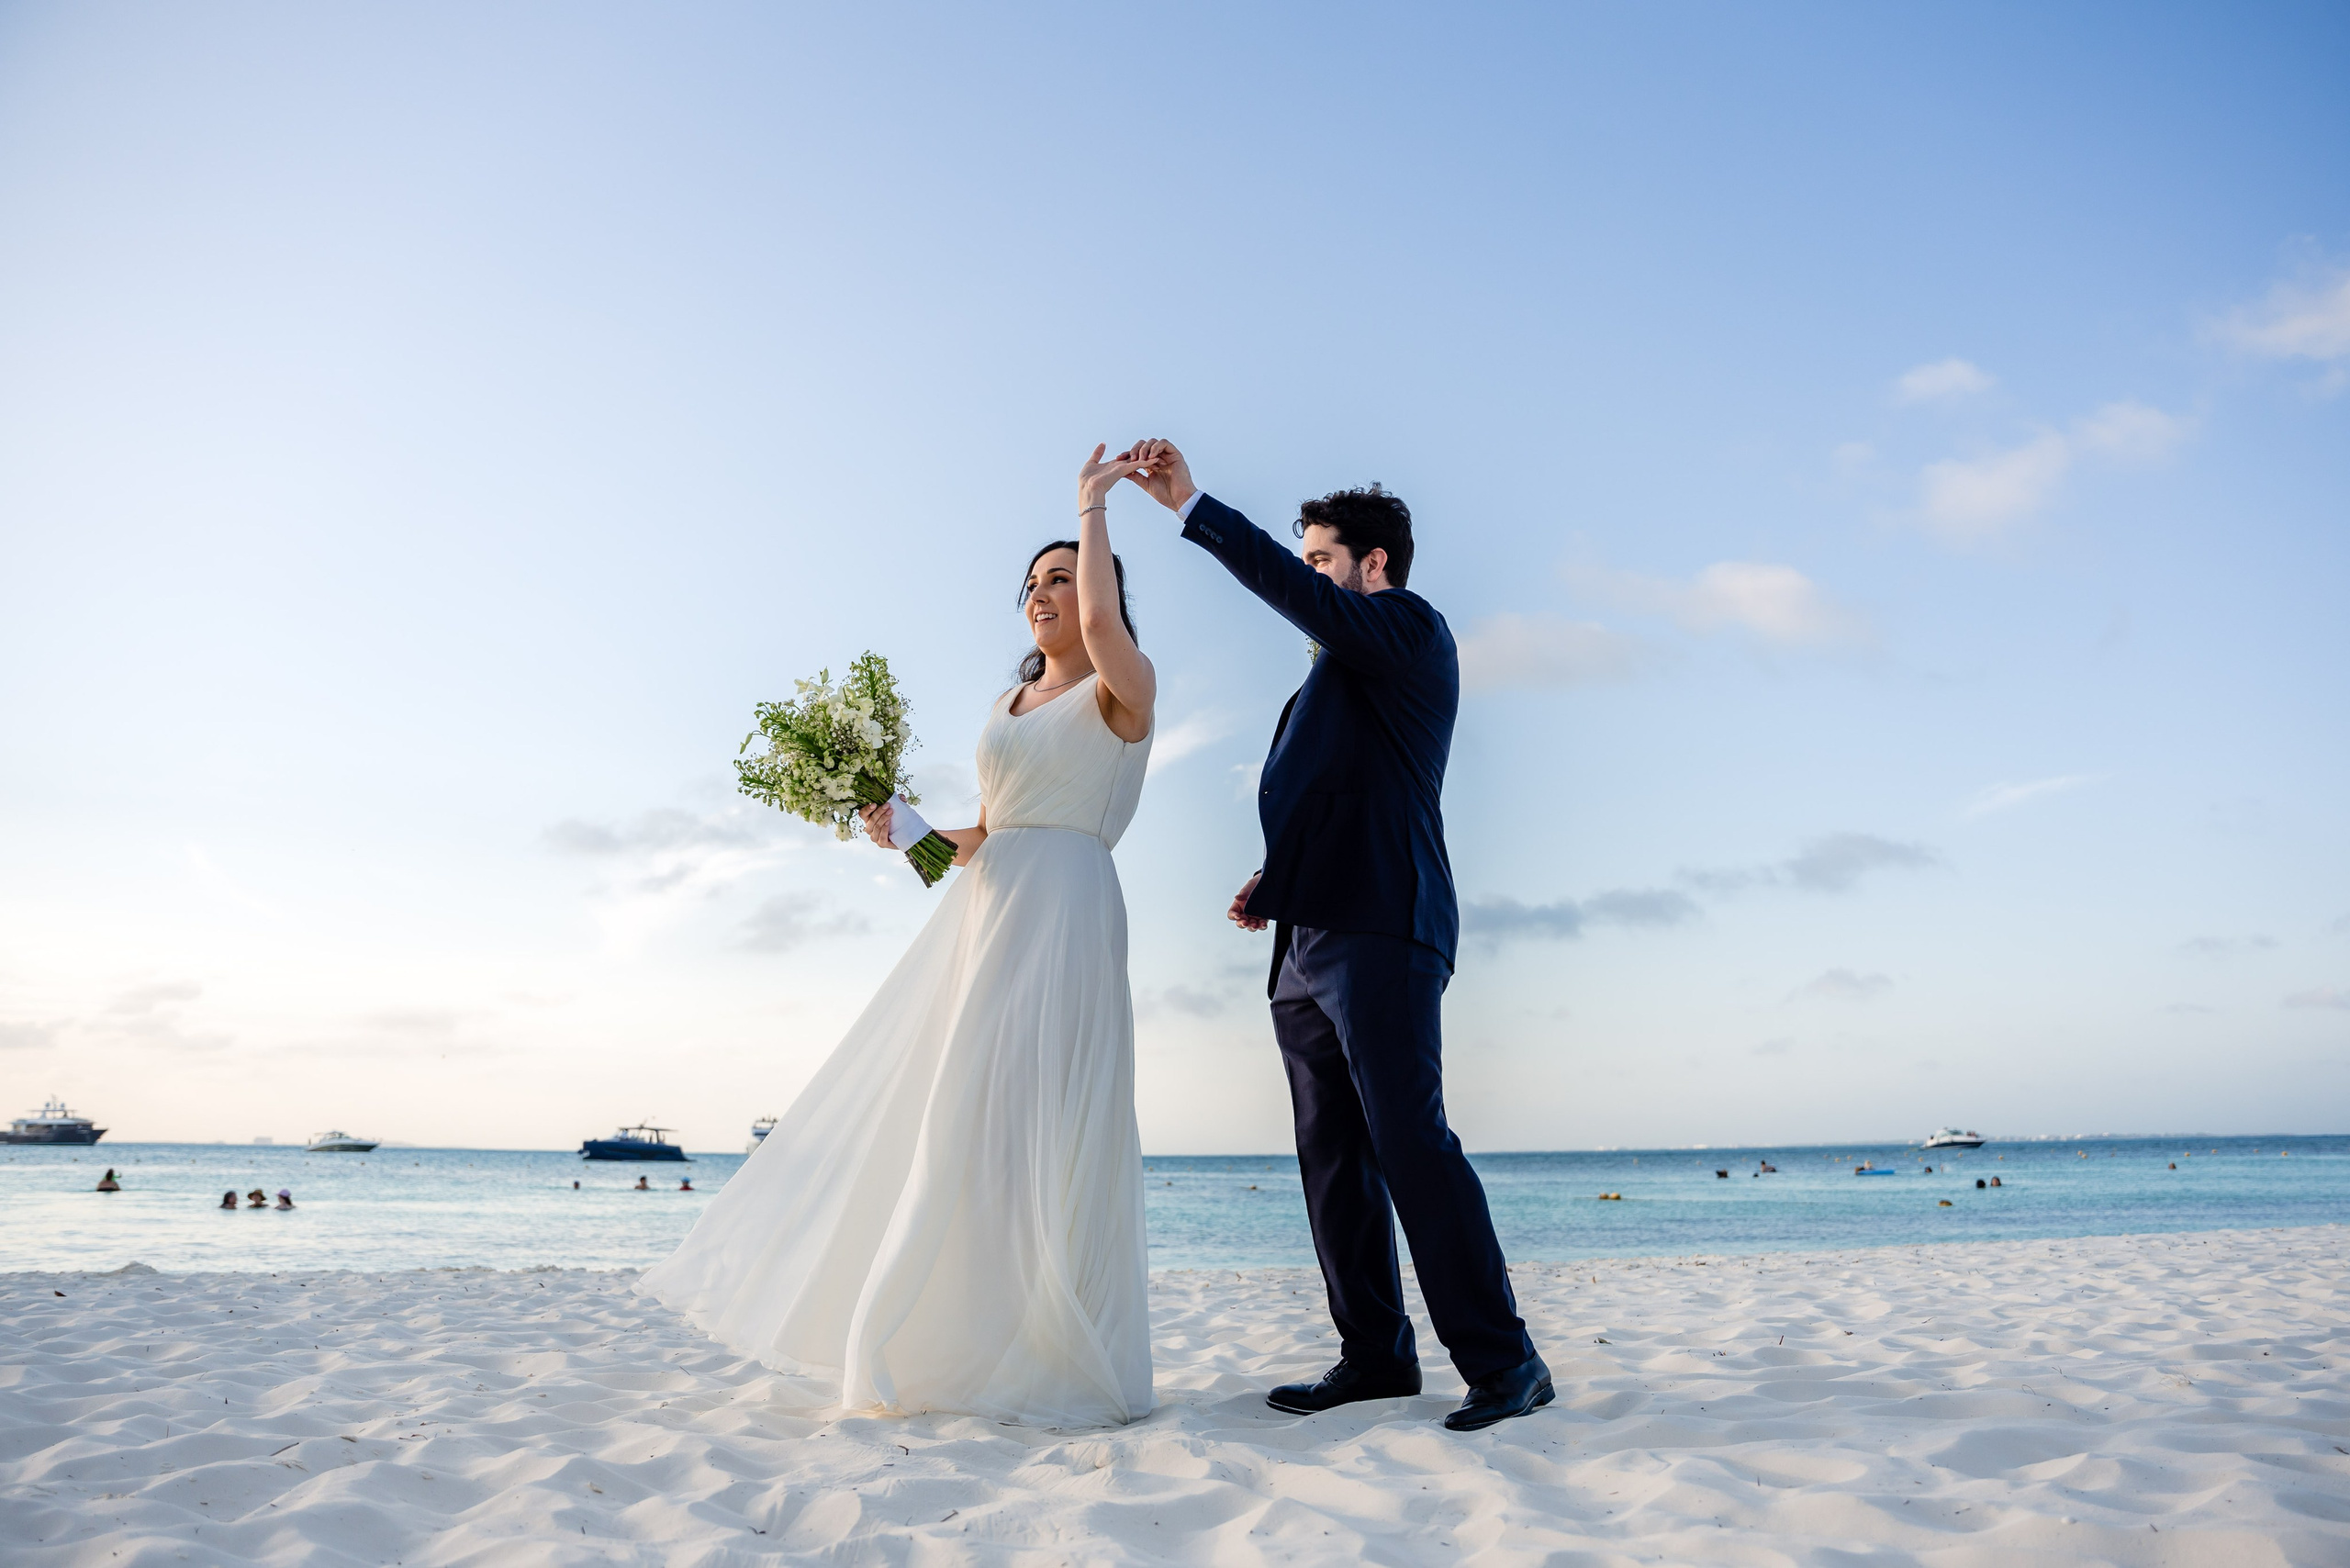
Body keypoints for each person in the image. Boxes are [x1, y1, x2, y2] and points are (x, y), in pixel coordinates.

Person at [639, 444, 1159, 1427]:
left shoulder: (1122, 689)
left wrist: (1091, 505)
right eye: (1034, 584)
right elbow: (981, 839)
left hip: (1069, 907)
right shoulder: (1008, 706)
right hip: (990, 907)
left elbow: (1098, 623)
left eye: (1064, 578)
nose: (1046, 595)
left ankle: (1056, 1339)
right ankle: (953, 1329)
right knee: (963, 1119)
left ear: (1101, 591)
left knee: (1048, 1121)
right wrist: (906, 831)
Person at [1125, 439, 1550, 1433]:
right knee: (1331, 1157)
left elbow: (1311, 612)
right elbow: (1338, 794)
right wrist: (1277, 877)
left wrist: (1193, 506)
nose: (1309, 571)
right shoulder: (1334, 678)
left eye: (1320, 556)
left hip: (1384, 928)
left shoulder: (1406, 628)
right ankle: (1374, 1355)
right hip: (1307, 938)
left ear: (1373, 564)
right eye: (1307, 557)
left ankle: (1507, 1361)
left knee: (1409, 1141)